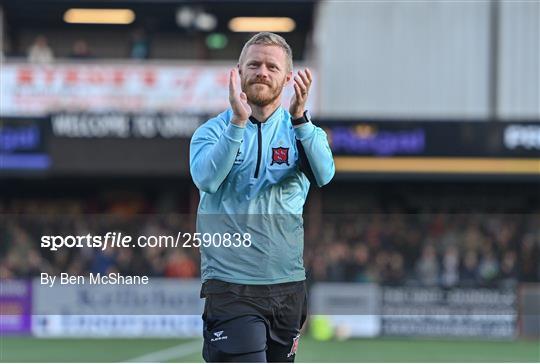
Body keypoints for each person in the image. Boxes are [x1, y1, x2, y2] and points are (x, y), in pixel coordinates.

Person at [190, 32, 334, 362]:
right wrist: (237, 124)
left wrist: (300, 120)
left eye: (272, 66)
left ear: (287, 78)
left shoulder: (303, 131)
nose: (262, 72)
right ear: (239, 71)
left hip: (288, 285)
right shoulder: (211, 131)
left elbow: (324, 175)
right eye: (254, 64)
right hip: (230, 284)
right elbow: (207, 179)